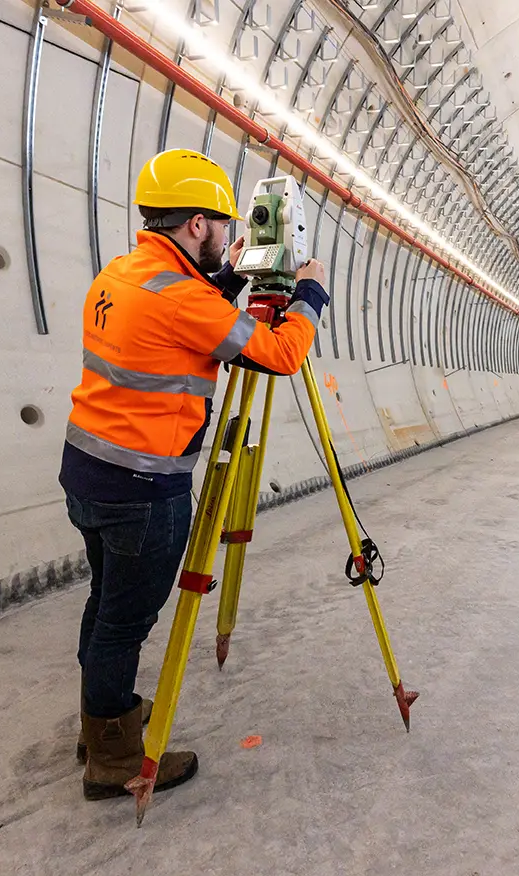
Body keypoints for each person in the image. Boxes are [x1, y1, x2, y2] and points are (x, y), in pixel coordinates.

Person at [59, 148, 329, 800]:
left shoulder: (123, 273)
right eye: (223, 223)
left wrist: (230, 281)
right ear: (199, 225)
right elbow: (276, 352)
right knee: (125, 622)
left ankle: (101, 721)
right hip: (144, 489)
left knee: (106, 606)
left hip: (89, 472)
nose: (231, 234)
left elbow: (182, 319)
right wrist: (312, 292)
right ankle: (114, 761)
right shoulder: (184, 298)